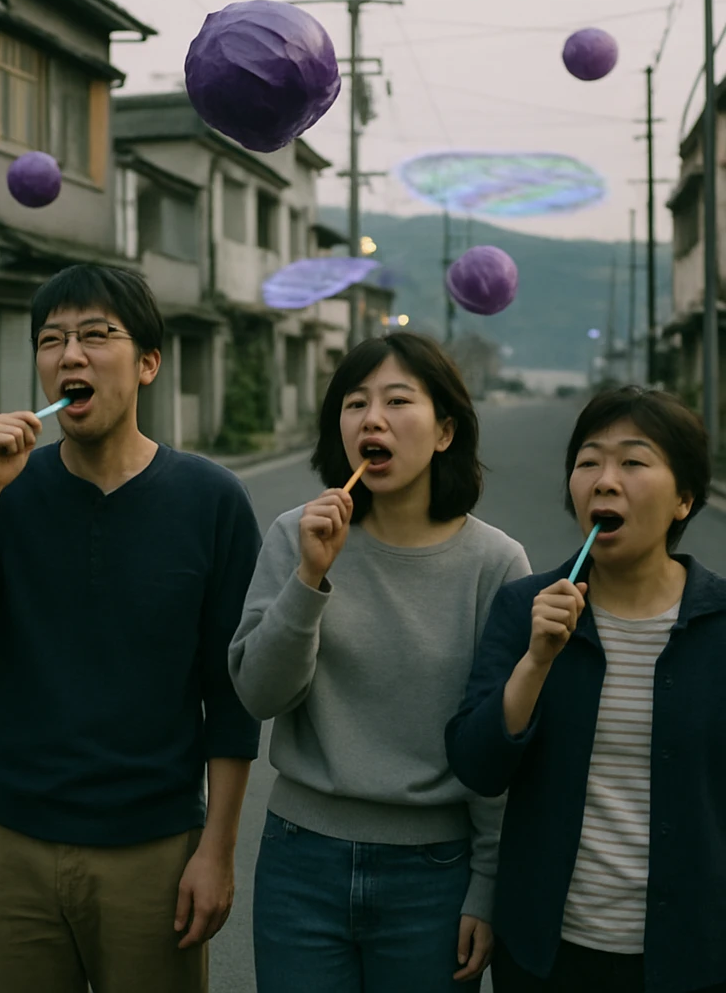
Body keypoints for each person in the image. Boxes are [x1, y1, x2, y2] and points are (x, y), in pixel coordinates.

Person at [0, 264, 262, 993]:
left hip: (151, 847)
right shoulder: (10, 491)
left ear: (148, 363)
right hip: (15, 840)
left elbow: (233, 695)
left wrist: (215, 851)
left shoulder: (210, 500)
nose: (70, 355)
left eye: (96, 336)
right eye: (52, 339)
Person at [228, 333, 530, 993]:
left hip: (435, 873)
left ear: (446, 430)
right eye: (355, 403)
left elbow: (497, 744)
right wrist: (310, 578)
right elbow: (258, 695)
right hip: (300, 859)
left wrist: (486, 881)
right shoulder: (296, 535)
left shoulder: (496, 564)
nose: (372, 418)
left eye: (398, 400)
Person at [446, 386, 726, 993]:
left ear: (684, 498)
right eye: (587, 462)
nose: (604, 480)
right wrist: (536, 661)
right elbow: (477, 765)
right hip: (546, 954)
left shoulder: (721, 623)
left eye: (633, 461)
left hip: (692, 958)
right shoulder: (527, 607)